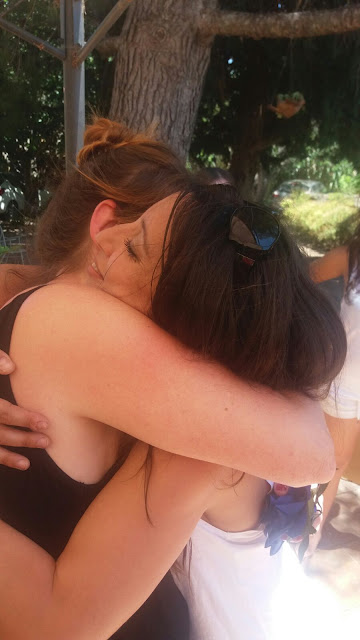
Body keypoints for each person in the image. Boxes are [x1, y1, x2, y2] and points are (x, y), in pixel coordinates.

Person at [0, 118, 342, 640]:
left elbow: (57, 622)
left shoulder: (198, 449)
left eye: (134, 246)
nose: (106, 240)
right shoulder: (195, 400)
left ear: (180, 332)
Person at [310, 232, 360, 542]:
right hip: (346, 388)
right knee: (333, 466)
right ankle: (307, 542)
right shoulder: (351, 257)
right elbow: (300, 281)